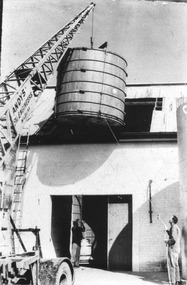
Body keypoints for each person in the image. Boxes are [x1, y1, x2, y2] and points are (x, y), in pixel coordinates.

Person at [164, 215, 181, 285]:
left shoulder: (174, 227)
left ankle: (173, 282)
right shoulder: (175, 227)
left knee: (172, 265)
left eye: (170, 218)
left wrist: (167, 241)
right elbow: (173, 236)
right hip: (177, 248)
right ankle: (177, 280)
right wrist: (167, 230)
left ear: (172, 220)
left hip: (173, 249)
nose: (169, 218)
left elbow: (173, 240)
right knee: (176, 264)